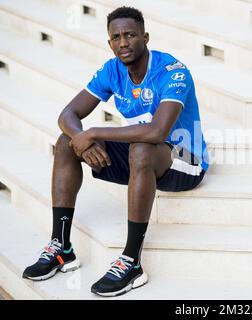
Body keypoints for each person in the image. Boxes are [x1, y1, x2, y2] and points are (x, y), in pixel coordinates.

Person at [22, 6, 209, 297]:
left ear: (145, 37)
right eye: (116, 37)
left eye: (131, 35)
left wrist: (93, 133)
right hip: (141, 155)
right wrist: (79, 137)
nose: (123, 42)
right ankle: (61, 248)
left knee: (141, 149)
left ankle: (132, 262)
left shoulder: (172, 71)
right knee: (65, 143)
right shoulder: (112, 69)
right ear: (109, 43)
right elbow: (68, 113)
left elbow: (157, 132)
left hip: (185, 160)